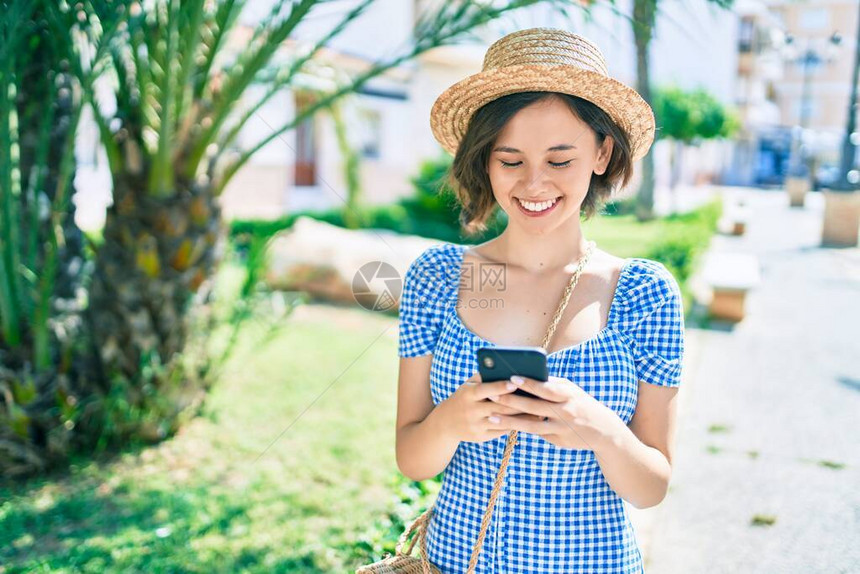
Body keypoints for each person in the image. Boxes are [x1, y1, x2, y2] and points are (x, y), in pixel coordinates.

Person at [395, 28, 685, 573]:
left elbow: (651, 487)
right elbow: (412, 459)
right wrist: (452, 420)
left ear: (601, 153)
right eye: (510, 160)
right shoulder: (437, 278)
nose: (533, 183)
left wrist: (598, 429)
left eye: (559, 160)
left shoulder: (643, 292)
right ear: (484, 160)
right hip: (458, 561)